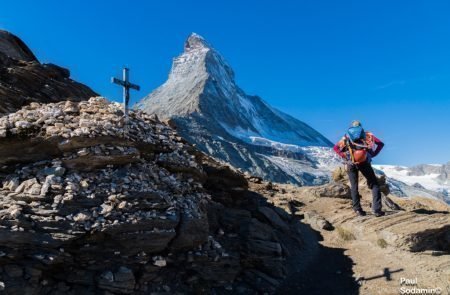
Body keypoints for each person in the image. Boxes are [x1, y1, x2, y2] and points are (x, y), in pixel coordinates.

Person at [333, 120, 385, 217]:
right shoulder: (367, 135)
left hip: (351, 163)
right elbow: (380, 144)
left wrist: (344, 155)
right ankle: (377, 210)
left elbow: (336, 148)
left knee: (354, 186)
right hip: (364, 162)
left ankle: (357, 210)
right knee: (374, 184)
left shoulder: (346, 137)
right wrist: (373, 154)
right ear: (361, 127)